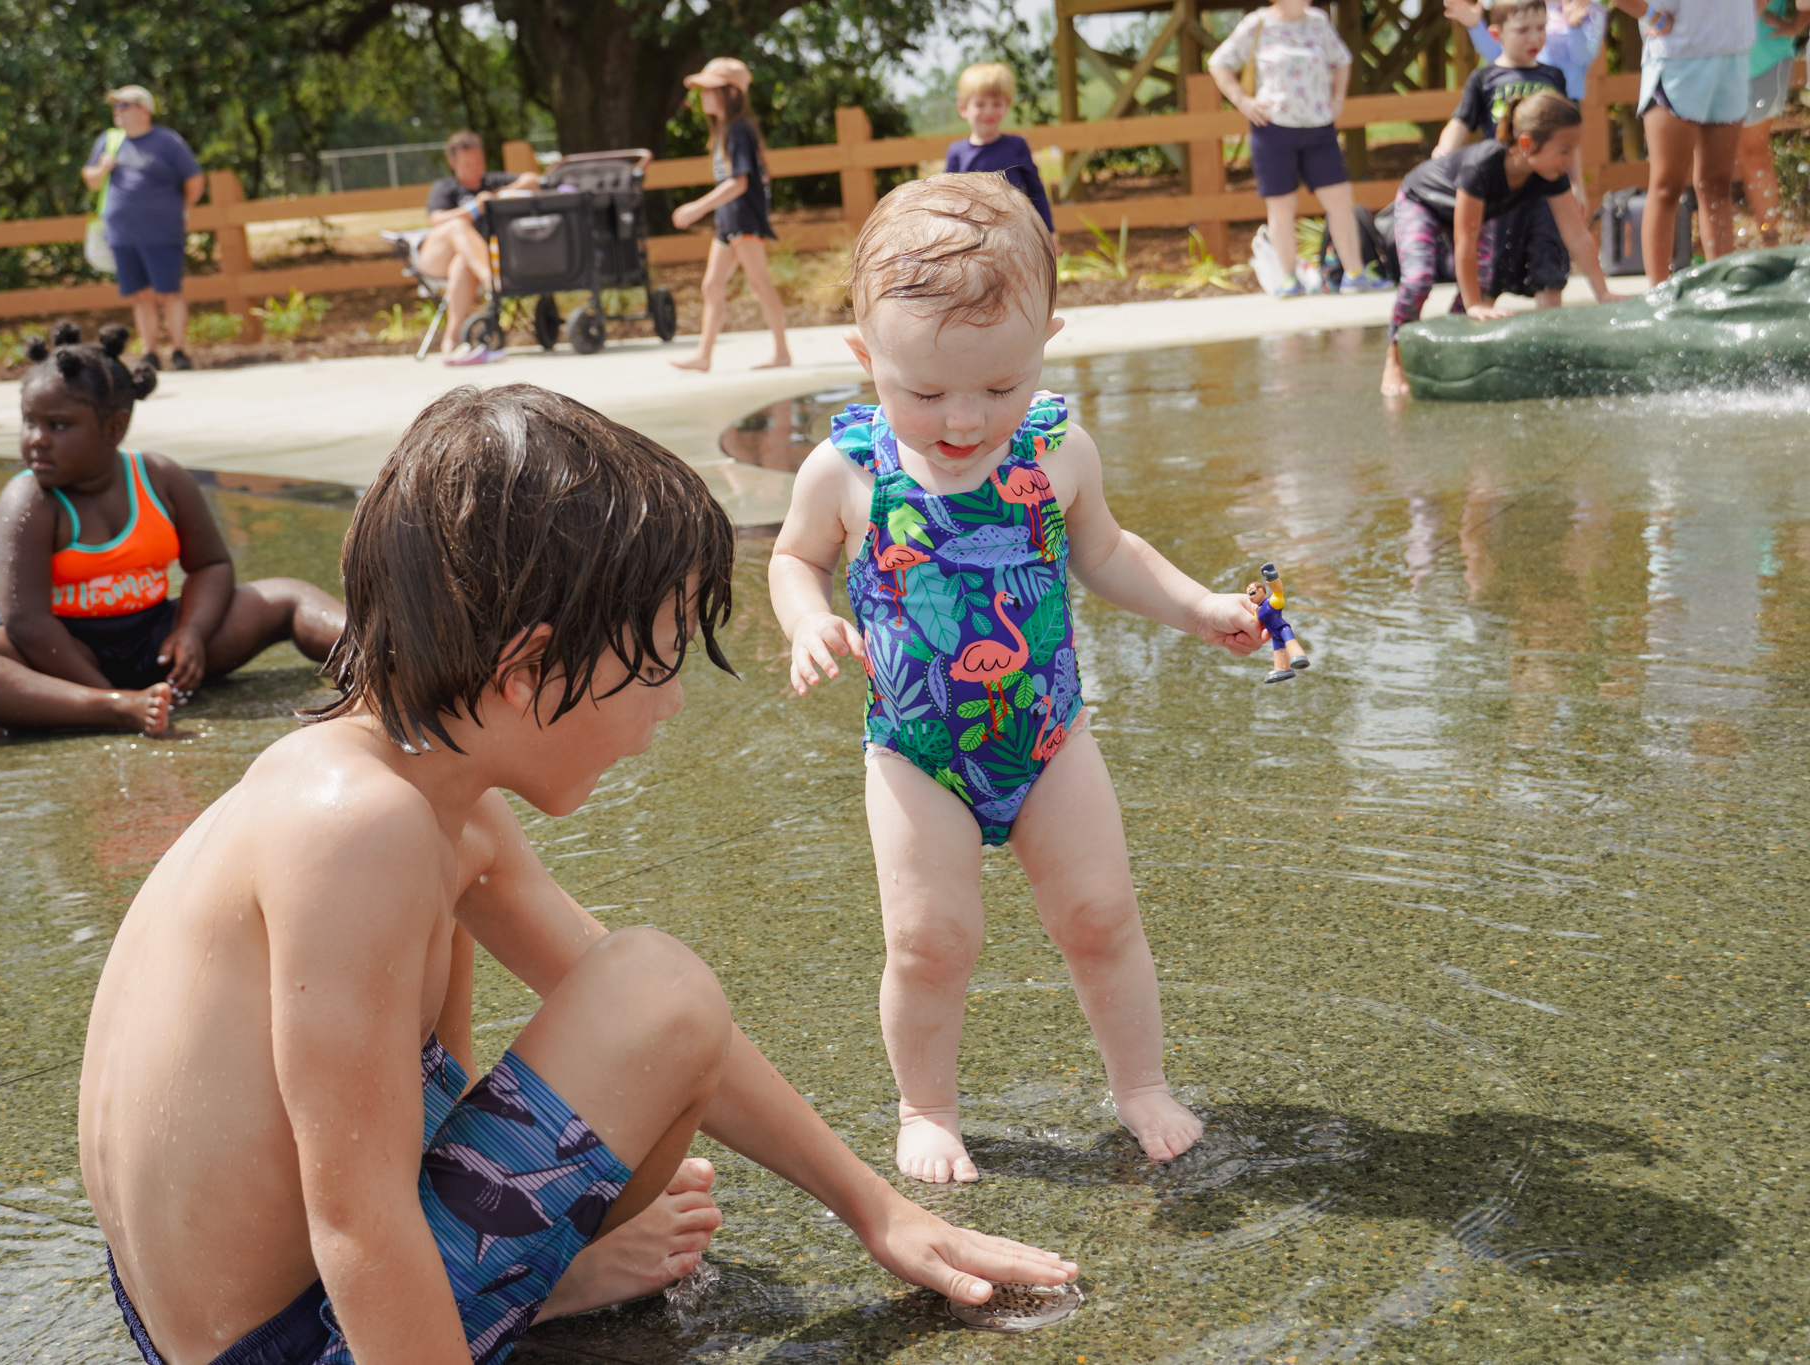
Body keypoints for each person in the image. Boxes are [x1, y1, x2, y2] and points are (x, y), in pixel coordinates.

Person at [77, 382, 1077, 1365]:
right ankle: (510, 1292)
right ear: (527, 669)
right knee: (661, 989)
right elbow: (359, 1221)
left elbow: (640, 1016)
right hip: (296, 1340)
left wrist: (878, 1210)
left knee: (626, 994)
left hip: (214, 1316)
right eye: (660, 660)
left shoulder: (397, 786)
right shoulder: (359, 831)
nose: (670, 703)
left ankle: (531, 1282)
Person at [769, 174, 1263, 1183]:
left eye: (999, 387)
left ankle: (1141, 1085)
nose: (962, 418)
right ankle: (926, 1107)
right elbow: (792, 557)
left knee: (1100, 916)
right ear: (865, 359)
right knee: (927, 938)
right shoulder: (848, 469)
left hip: (1047, 736)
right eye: (925, 392)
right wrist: (807, 618)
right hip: (915, 750)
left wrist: (1195, 605)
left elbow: (1106, 551)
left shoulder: (1055, 450)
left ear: (1045, 345)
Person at [0, 323, 346, 738]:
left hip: (158, 643)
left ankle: (377, 663)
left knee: (289, 597)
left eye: (58, 425)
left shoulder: (160, 478)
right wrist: (111, 695)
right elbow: (26, 623)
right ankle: (109, 709)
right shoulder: (29, 501)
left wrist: (191, 633)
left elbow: (211, 565)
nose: (37, 439)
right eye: (29, 422)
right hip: (57, 657)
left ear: (114, 428)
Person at [1380, 92, 1614, 396]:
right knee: (1418, 280)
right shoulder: (1482, 167)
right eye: (1564, 150)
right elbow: (1466, 241)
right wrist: (1474, 304)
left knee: (1483, 281)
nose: (1570, 161)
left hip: (1471, 214)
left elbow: (1577, 236)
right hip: (1422, 203)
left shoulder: (1549, 174)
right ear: (1527, 143)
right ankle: (1394, 357)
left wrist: (1603, 292)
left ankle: (1450, 350)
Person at [1208, 0, 1394, 296]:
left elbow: (1342, 60)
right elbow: (1219, 63)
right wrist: (1242, 101)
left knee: (1340, 200)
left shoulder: (1317, 21)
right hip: (1273, 127)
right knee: (1281, 206)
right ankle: (1288, 278)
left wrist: (1338, 99)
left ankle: (1355, 274)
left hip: (1319, 127)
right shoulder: (1257, 23)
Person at [1609, 0, 1755, 282]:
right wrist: (1653, 16)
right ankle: (1658, 293)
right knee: (1667, 186)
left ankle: (1723, 288)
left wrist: (1746, 19)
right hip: (1676, 59)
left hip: (1733, 57)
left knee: (1717, 185)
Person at [670, 57, 793, 372]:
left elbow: (739, 182)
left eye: (711, 89)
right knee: (712, 286)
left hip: (743, 220)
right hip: (729, 221)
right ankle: (703, 355)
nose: (703, 95)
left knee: (759, 282)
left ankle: (781, 352)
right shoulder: (725, 131)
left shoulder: (739, 131)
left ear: (732, 92)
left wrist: (698, 207)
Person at [81, 86, 205, 373]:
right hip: (122, 234)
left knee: (170, 292)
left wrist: (180, 209)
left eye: (123, 105)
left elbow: (194, 180)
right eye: (115, 106)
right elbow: (91, 180)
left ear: (143, 110)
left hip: (162, 231)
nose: (117, 112)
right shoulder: (109, 141)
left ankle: (179, 351)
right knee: (140, 294)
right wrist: (103, 168)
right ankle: (150, 353)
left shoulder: (167, 141)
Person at [414, 130, 539, 367]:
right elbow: (436, 219)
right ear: (453, 163)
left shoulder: (490, 183)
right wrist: (474, 208)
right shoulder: (445, 187)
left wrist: (495, 196)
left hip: (468, 260)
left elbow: (532, 179)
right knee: (457, 226)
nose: (476, 169)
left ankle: (451, 343)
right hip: (434, 257)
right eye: (469, 164)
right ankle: (493, 282)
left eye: (480, 162)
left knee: (462, 263)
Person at [1433, 0, 1571, 152]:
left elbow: (1568, 128)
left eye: (1541, 27)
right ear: (1497, 34)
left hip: (1546, 164)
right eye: (1522, 30)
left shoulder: (1555, 77)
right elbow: (1461, 121)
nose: (1534, 38)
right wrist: (1444, 149)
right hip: (1501, 164)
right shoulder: (1483, 78)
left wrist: (1573, 168)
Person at [944, 63, 1057, 245]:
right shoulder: (957, 153)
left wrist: (1048, 231)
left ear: (1007, 106)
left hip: (1017, 236)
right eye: (980, 104)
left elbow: (1036, 191)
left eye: (996, 104)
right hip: (973, 239)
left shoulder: (1017, 146)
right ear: (963, 108)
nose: (989, 111)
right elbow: (948, 200)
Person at [1736, 0, 1809, 247]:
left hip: (1764, 59)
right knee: (1712, 159)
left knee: (1753, 153)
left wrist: (1797, 25)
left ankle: (1771, 243)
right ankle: (1706, 247)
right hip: (1710, 62)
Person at [1451, 0, 1609, 101]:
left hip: (1563, 103)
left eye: (1541, 27)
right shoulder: (1525, 4)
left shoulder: (1593, 10)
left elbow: (1583, 58)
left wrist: (1575, 27)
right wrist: (1475, 26)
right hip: (1519, 96)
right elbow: (1499, 56)